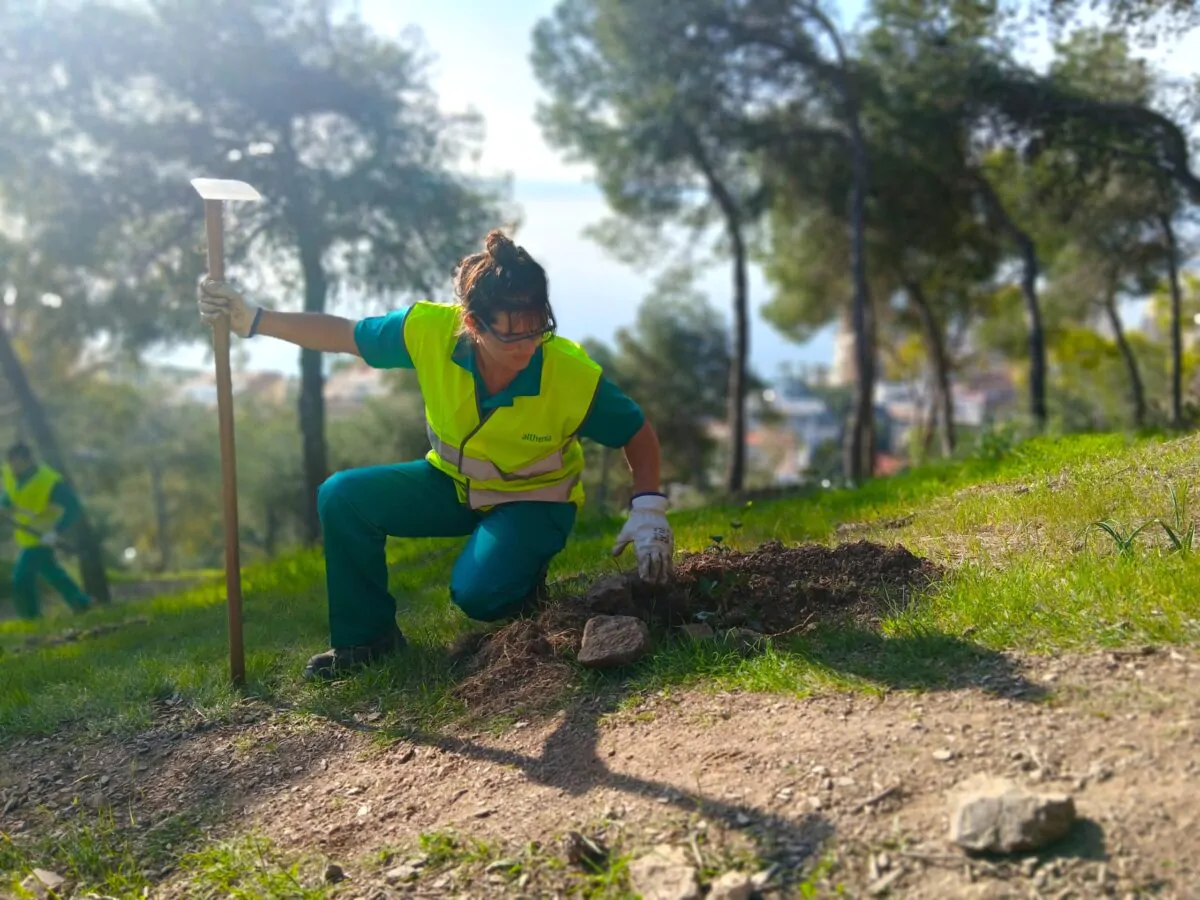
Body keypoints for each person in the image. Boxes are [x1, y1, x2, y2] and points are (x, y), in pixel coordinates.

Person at [197, 229, 675, 681]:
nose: (529, 346)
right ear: (472, 323)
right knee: (342, 496)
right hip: (449, 485)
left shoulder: (568, 372)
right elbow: (345, 334)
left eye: (538, 329)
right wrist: (253, 319)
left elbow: (637, 432)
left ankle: (523, 581)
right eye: (512, 335)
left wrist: (648, 508)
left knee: (478, 596)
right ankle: (367, 640)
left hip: (535, 502)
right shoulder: (429, 330)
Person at [0, 442, 91, 618]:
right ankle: (81, 602)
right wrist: (3, 506)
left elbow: (73, 507)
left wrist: (57, 531)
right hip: (27, 536)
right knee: (52, 573)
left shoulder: (49, 481)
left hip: (43, 536)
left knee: (21, 578)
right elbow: (9, 495)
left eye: (15, 462)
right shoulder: (12, 474)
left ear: (27, 460)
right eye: (10, 462)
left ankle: (31, 619)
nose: (12, 467)